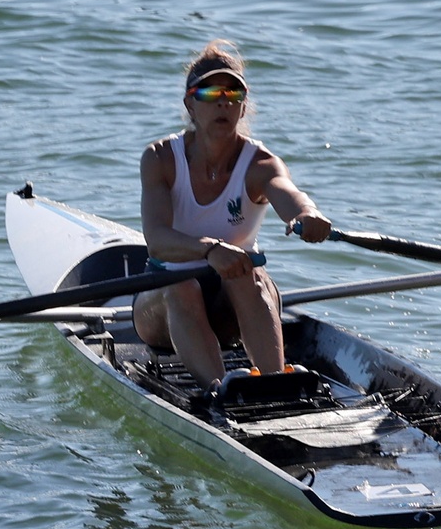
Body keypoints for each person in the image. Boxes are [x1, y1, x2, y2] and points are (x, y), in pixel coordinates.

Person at [133, 41, 331, 393]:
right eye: (210, 91)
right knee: (183, 288)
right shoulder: (160, 159)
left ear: (242, 107)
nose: (223, 100)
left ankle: (276, 386)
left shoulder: (260, 164)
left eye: (233, 91)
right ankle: (220, 392)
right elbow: (158, 240)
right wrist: (211, 250)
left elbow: (288, 193)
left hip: (231, 308)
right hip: (162, 306)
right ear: (190, 104)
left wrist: (307, 214)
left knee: (247, 276)